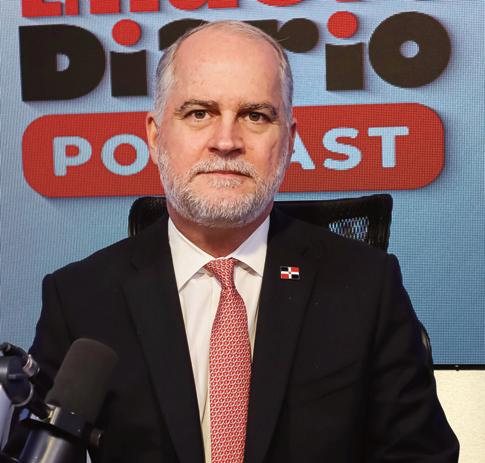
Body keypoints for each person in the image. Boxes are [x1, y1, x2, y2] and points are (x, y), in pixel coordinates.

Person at [9, 20, 458, 463]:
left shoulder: (366, 285)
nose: (226, 141)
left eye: (255, 116)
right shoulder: (80, 298)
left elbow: (421, 455)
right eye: (199, 113)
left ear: (289, 141)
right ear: (155, 135)